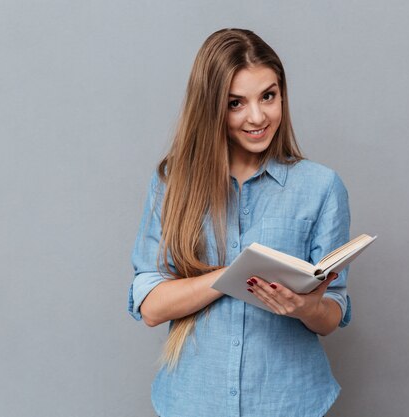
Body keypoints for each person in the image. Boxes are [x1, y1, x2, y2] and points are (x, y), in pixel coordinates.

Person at [128, 28, 351, 417]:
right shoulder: (171, 183)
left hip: (290, 403)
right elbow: (150, 305)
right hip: (191, 402)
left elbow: (332, 311)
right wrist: (233, 276)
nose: (257, 116)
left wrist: (305, 308)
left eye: (268, 96)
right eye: (236, 103)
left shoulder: (321, 187)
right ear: (211, 108)